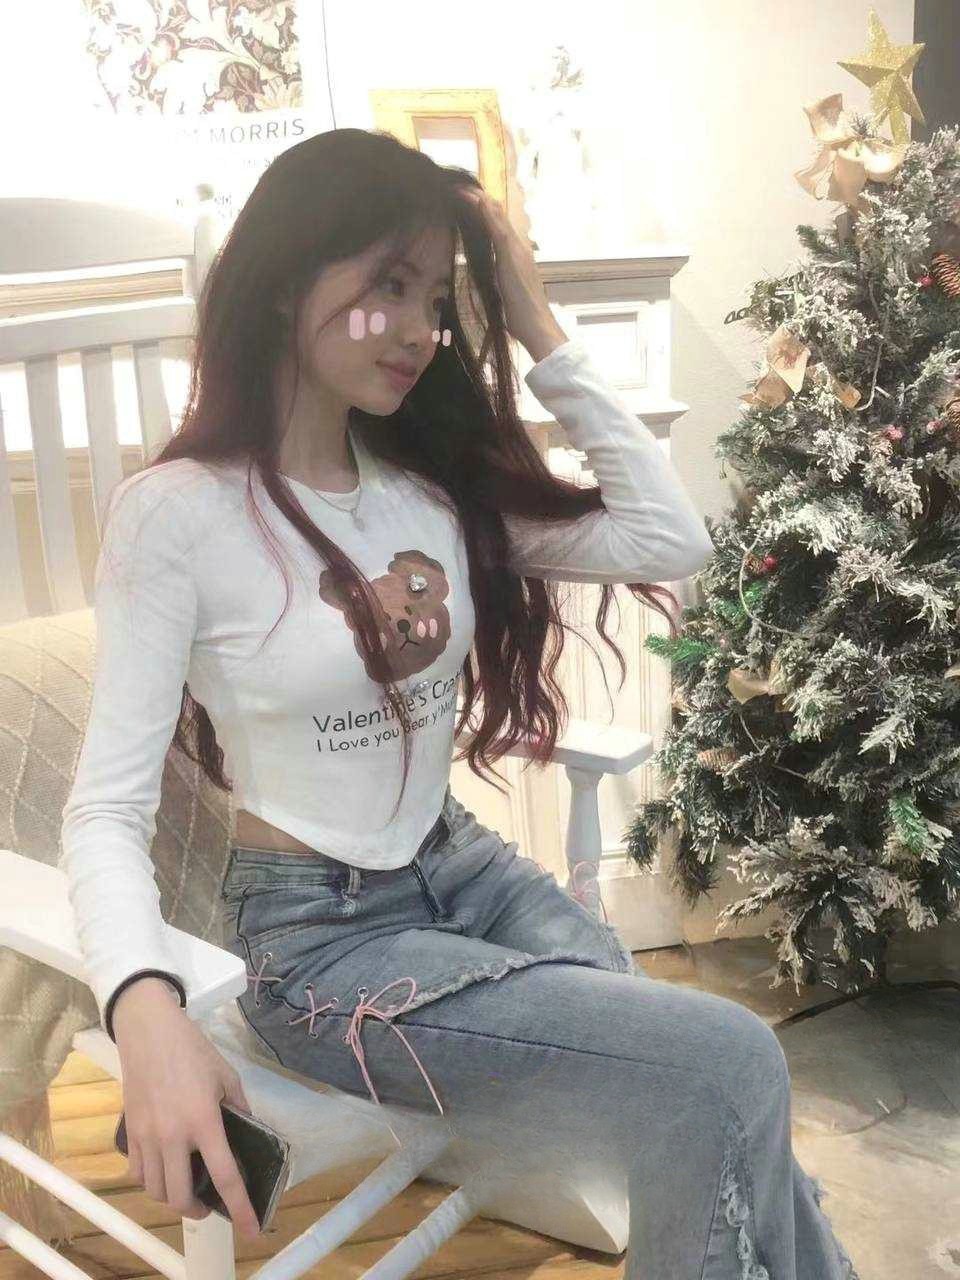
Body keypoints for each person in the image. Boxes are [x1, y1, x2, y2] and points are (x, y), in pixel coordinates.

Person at [59, 128, 858, 1278]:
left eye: (437, 299)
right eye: (389, 285)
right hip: (321, 943)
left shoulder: (427, 496)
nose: (422, 328)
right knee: (723, 1062)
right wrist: (146, 1010)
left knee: (699, 1084)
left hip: (465, 869)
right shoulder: (177, 515)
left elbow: (669, 536)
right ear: (284, 277)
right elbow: (105, 807)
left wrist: (530, 314)